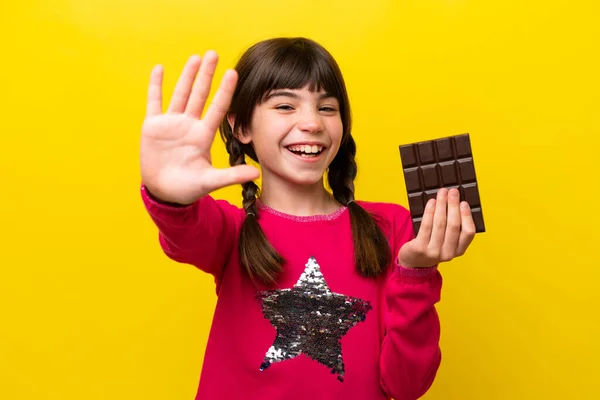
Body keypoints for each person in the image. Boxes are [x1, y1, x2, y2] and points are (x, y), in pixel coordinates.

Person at [139, 37, 476, 400]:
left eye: (327, 108)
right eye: (285, 105)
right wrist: (166, 193)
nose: (312, 123)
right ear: (241, 128)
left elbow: (406, 386)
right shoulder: (230, 230)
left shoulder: (391, 227)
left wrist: (416, 273)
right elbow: (184, 226)